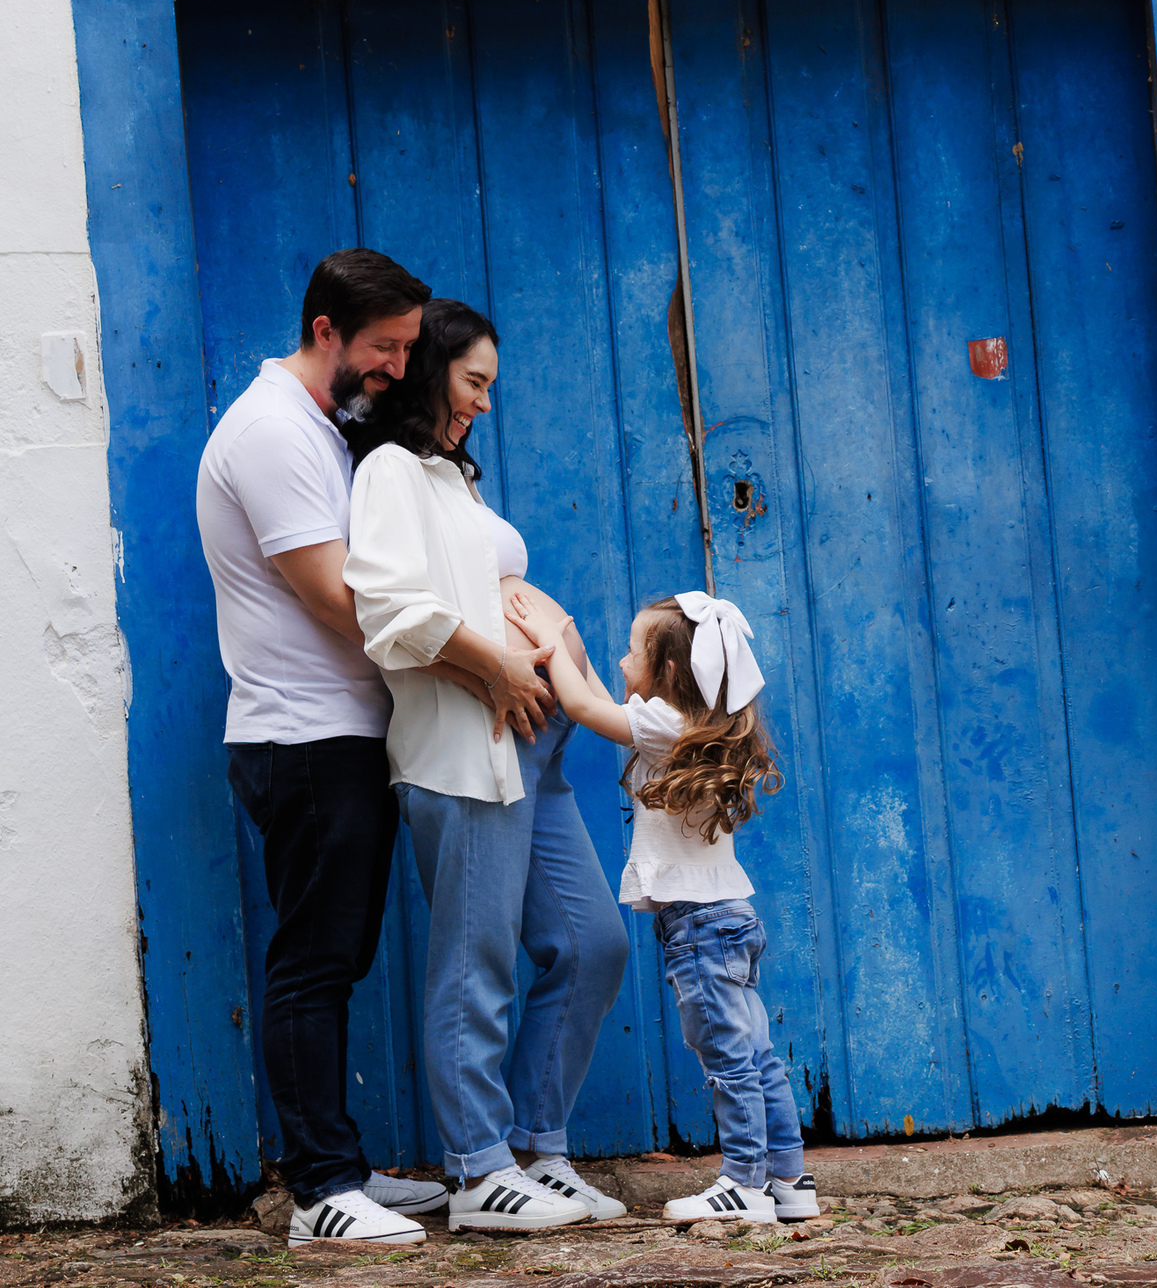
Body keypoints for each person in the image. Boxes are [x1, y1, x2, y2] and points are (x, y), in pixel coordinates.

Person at [343, 299, 630, 1233]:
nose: (484, 403)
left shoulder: (447, 476)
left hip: (533, 751)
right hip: (464, 753)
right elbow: (388, 610)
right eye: (474, 382)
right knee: (476, 966)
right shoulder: (390, 471)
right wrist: (500, 664)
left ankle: (540, 1152)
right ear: (431, 371)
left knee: (591, 944)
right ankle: (476, 1173)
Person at [197, 248, 449, 1251]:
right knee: (312, 961)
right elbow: (336, 596)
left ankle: (338, 1163)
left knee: (335, 957)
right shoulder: (271, 432)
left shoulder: (317, 426)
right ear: (325, 332)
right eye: (385, 347)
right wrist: (462, 654)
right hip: (302, 736)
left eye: (408, 349)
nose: (398, 367)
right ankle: (321, 1192)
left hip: (338, 732)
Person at [506, 588, 822, 1226]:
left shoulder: (662, 727)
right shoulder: (695, 727)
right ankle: (789, 1180)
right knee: (756, 1053)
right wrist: (568, 647)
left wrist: (552, 636)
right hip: (730, 917)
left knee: (726, 1057)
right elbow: (602, 696)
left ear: (669, 672)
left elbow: (581, 704)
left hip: (699, 929)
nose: (622, 662)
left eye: (632, 652)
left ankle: (743, 1183)